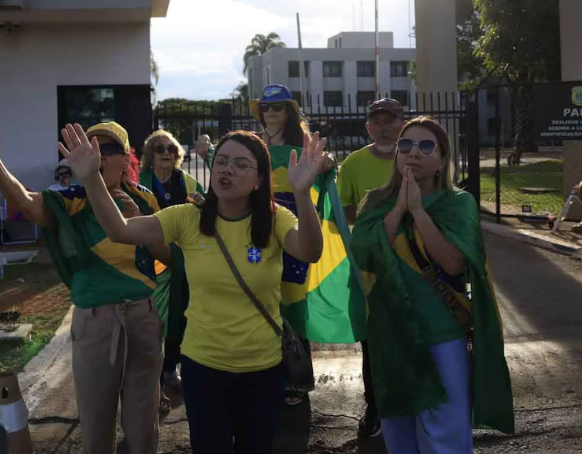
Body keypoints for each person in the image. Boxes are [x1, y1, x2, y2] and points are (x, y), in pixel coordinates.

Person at [63, 124, 327, 454]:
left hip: (263, 369)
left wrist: (302, 194)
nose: (227, 169)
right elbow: (119, 230)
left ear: (260, 180)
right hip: (204, 369)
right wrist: (91, 178)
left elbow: (309, 250)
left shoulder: (275, 219)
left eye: (241, 164)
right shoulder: (188, 217)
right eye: (222, 161)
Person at [0, 118, 163, 454]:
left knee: (144, 425)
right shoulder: (71, 201)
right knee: (96, 425)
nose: (97, 155)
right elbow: (27, 201)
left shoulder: (146, 200)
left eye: (107, 148)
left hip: (144, 317)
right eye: (88, 147)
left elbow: (166, 254)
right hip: (96, 321)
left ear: (126, 158)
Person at [351, 117, 514, 453]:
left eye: (426, 146)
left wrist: (418, 212)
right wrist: (399, 208)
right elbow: (364, 254)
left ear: (442, 160)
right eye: (406, 145)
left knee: (444, 437)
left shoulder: (458, 204)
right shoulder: (377, 202)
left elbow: (454, 263)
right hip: (391, 336)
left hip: (443, 336)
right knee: (399, 432)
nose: (413, 152)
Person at [197, 84, 338, 407]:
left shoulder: (303, 145)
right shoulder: (254, 146)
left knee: (292, 303)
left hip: (293, 231)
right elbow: (229, 173)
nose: (271, 113)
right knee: (260, 297)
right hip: (257, 229)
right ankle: (264, 375)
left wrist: (328, 160)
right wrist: (207, 153)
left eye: (278, 107)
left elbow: (324, 167)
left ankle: (296, 376)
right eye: (266, 108)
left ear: (290, 111)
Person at [336, 97, 405, 439]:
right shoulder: (353, 163)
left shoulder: (413, 158)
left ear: (402, 124)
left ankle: (412, 403)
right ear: (367, 127)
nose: (383, 128)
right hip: (368, 269)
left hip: (412, 266)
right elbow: (341, 208)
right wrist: (374, 218)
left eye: (390, 121)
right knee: (372, 342)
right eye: (376, 122)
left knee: (411, 337)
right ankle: (375, 406)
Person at [139, 130, 205, 411]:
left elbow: (206, 209)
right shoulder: (139, 182)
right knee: (153, 320)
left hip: (181, 261)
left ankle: (170, 369)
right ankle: (153, 377)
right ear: (150, 154)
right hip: (148, 260)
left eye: (171, 149)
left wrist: (202, 204)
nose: (166, 153)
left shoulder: (186, 181)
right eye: (160, 149)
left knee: (180, 314)